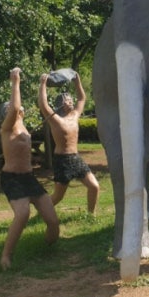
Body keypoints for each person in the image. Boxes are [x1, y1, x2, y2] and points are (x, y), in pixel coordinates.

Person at [0, 68, 59, 270]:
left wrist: (43, 84)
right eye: (13, 111)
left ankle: (50, 248)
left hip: (29, 178)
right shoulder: (6, 129)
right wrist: (15, 81)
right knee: (22, 214)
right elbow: (15, 107)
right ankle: (6, 256)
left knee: (52, 220)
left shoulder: (23, 127)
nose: (17, 111)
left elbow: (30, 108)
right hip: (12, 178)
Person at [38, 71, 100, 215]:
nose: (71, 101)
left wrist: (77, 81)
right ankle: (42, 211)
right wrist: (43, 85)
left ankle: (91, 215)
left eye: (71, 99)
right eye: (68, 100)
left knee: (94, 186)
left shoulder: (75, 115)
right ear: (60, 104)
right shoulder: (55, 120)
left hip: (76, 158)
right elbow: (43, 104)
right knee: (58, 196)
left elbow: (82, 98)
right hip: (62, 161)